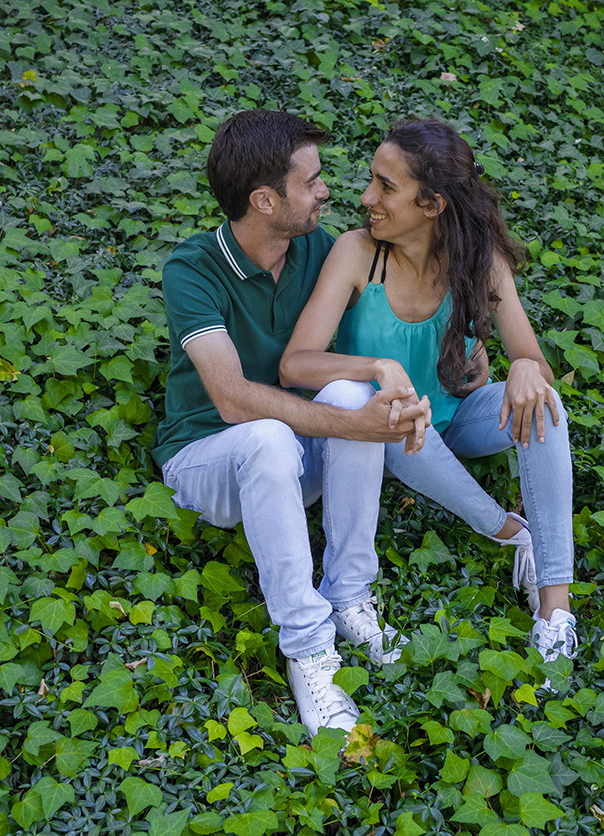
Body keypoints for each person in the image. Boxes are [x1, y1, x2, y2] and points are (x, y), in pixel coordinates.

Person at [151, 110, 431, 737]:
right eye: (312, 182)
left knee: (348, 393)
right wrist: (349, 426)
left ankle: (348, 593)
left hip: (287, 459)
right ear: (264, 199)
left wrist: (403, 373)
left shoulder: (316, 249)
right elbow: (231, 400)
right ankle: (308, 649)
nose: (327, 191)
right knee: (272, 432)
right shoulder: (191, 270)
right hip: (208, 462)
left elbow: (354, 344)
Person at [279, 118, 580, 682]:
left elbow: (533, 359)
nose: (367, 198)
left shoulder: (478, 259)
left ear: (433, 204)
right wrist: (375, 367)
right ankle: (508, 530)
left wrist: (522, 368)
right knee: (395, 421)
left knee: (548, 407)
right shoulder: (356, 254)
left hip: (455, 418)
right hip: (385, 430)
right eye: (373, 180)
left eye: (386, 187)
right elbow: (296, 362)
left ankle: (555, 609)